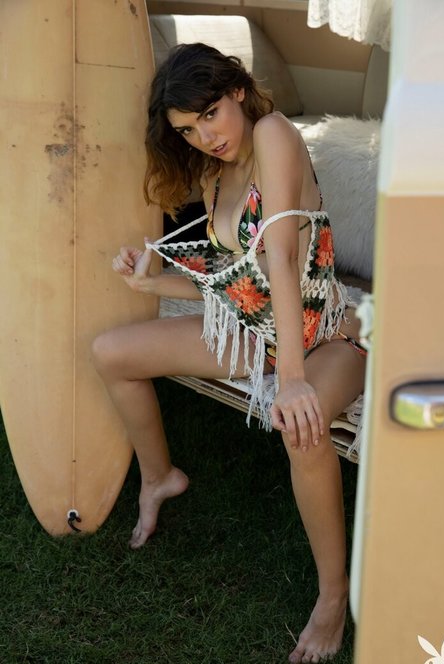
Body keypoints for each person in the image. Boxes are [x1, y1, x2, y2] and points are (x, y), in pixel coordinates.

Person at [92, 42, 366, 664]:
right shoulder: (214, 176)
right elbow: (229, 279)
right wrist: (151, 283)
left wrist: (292, 379)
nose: (205, 137)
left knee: (301, 429)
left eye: (210, 114)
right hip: (253, 334)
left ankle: (332, 596)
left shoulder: (273, 134)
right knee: (111, 353)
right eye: (187, 129)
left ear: (237, 91)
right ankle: (160, 478)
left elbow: (282, 259)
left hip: (326, 338)